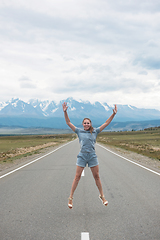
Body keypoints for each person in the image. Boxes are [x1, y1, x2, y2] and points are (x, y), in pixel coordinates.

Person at [62, 102, 117, 209]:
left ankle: (102, 196)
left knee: (97, 177)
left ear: (90, 124)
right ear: (82, 124)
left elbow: (106, 123)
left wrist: (113, 114)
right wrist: (65, 112)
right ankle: (70, 198)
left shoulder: (95, 131)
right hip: (82, 156)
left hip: (92, 156)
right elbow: (68, 122)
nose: (86, 124)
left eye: (88, 123)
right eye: (85, 123)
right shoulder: (79, 131)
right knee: (77, 177)